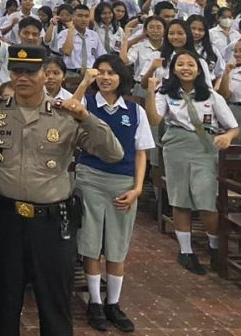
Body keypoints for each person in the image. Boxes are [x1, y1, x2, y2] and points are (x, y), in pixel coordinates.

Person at [0, 44, 123, 336]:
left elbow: (113, 153)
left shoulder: (65, 116)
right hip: (6, 221)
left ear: (45, 75)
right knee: (4, 302)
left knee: (55, 303)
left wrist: (86, 117)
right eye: (16, 71)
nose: (22, 77)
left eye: (30, 71)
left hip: (52, 224)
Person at [74, 57, 153, 333]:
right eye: (101, 73)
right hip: (90, 179)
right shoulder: (88, 103)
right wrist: (84, 82)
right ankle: (94, 302)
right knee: (91, 242)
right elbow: (70, 110)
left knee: (117, 244)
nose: (105, 77)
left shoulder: (134, 111)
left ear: (121, 77)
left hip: (123, 181)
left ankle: (113, 303)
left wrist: (138, 188)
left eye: (111, 73)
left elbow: (141, 151)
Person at [144, 49, 240, 274]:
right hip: (176, 146)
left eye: (191, 65)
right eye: (180, 64)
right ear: (173, 69)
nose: (185, 68)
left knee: (206, 201)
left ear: (199, 70)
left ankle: (215, 247)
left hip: (205, 148)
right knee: (180, 199)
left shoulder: (210, 95)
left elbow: (233, 127)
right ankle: (186, 252)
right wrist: (149, 92)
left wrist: (226, 136)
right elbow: (155, 119)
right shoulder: (165, 93)